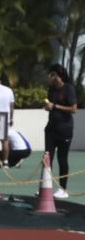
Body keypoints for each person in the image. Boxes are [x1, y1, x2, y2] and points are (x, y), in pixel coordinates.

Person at [43, 63, 75, 198]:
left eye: (52, 74)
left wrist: (55, 106)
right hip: (51, 129)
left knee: (62, 159)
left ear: (58, 75)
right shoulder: (51, 90)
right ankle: (45, 187)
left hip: (65, 130)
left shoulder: (68, 89)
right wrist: (47, 107)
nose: (49, 76)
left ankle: (63, 189)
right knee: (47, 158)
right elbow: (49, 105)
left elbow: (73, 109)